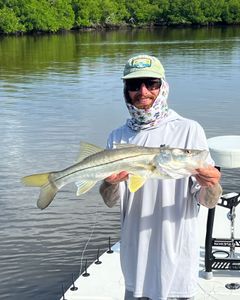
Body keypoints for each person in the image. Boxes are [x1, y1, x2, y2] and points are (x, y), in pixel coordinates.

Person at [99, 54, 222, 300]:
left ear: (163, 86)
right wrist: (109, 183)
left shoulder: (188, 130)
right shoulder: (118, 137)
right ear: (126, 90)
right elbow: (110, 200)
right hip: (135, 256)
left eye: (151, 83)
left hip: (176, 257)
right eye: (134, 85)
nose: (143, 92)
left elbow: (208, 201)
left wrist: (212, 185)